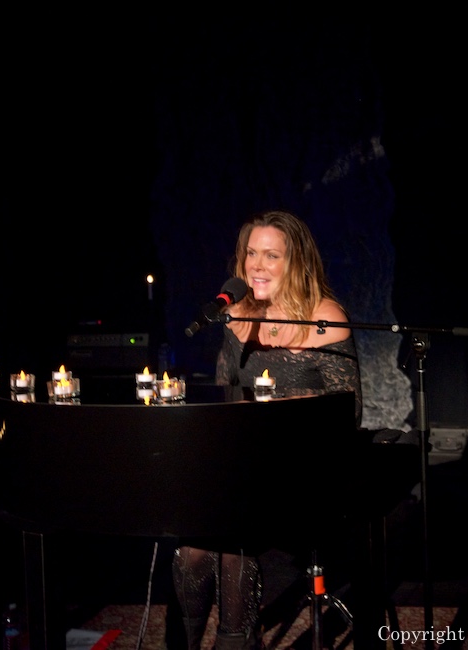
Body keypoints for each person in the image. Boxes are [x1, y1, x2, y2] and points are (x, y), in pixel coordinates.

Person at [171, 209, 362, 650]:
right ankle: (186, 640)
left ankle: (235, 640)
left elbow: (347, 414)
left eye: (271, 255)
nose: (257, 265)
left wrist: (280, 411)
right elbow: (225, 401)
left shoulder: (325, 316)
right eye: (251, 253)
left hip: (304, 467)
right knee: (192, 548)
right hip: (245, 464)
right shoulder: (234, 317)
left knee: (234, 536)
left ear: (294, 262)